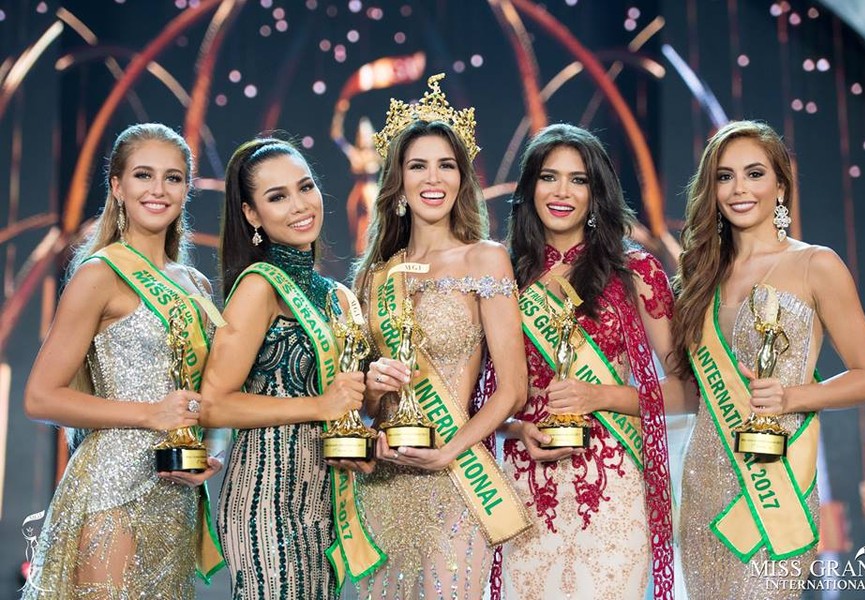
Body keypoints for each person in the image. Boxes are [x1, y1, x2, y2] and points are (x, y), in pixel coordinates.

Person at [672, 120, 865, 597]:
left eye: (754, 174)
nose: (739, 189)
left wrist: (792, 397)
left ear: (781, 187)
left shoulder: (816, 264)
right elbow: (691, 392)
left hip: (774, 487)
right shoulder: (700, 277)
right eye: (724, 176)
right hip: (704, 485)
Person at [22, 123, 222, 599]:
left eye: (173, 178)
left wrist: (207, 451)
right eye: (143, 175)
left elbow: (205, 391)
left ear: (187, 190)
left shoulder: (196, 285)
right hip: (112, 489)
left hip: (175, 493)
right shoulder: (100, 274)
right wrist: (150, 414)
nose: (158, 190)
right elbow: (40, 397)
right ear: (117, 186)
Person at [351, 73, 531, 599]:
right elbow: (362, 404)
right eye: (418, 165)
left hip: (457, 481)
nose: (433, 178)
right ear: (398, 181)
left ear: (462, 178)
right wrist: (372, 390)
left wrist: (449, 451)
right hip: (383, 484)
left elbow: (513, 388)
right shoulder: (376, 276)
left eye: (446, 165)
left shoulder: (485, 259)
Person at [501, 123, 679, 599]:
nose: (562, 192)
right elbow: (481, 397)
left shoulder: (635, 271)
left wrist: (599, 395)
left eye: (578, 180)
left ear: (596, 193)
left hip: (613, 489)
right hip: (525, 486)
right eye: (549, 177)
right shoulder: (504, 275)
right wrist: (516, 429)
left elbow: (687, 391)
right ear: (530, 187)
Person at [199, 137, 367, 599]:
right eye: (277, 197)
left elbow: (346, 404)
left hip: (323, 502)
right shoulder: (259, 287)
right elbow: (212, 405)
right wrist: (319, 406)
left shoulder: (337, 296)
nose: (299, 205)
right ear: (252, 214)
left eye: (305, 187)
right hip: (265, 502)